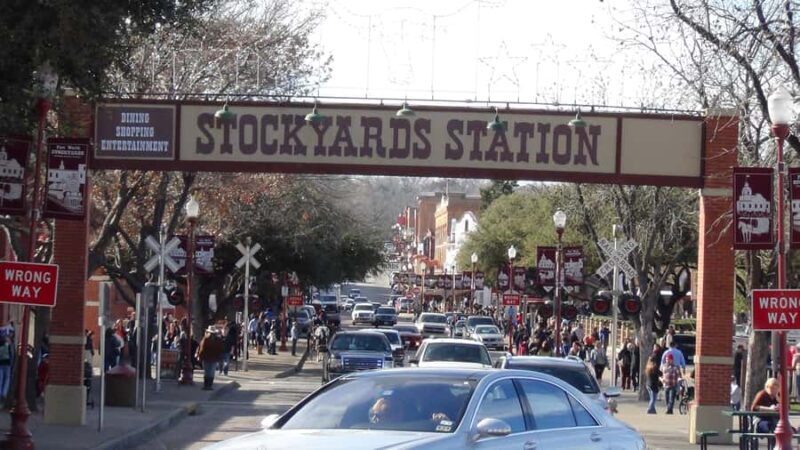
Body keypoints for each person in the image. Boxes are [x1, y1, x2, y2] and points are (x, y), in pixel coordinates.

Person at [0, 335, 12, 401]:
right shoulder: (7, 345)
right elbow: (11, 354)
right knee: (7, 378)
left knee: (1, 378)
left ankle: (1, 392)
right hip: (7, 363)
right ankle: (4, 393)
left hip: (1, 363)